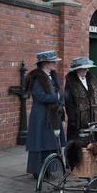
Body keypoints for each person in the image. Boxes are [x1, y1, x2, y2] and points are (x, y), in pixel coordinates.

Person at [25, 50, 66, 179]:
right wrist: (57, 97)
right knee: (39, 142)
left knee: (50, 142)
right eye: (52, 61)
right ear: (44, 63)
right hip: (41, 115)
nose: (55, 63)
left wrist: (59, 99)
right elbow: (39, 96)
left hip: (52, 115)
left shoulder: (52, 76)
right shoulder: (37, 78)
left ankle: (48, 168)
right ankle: (37, 171)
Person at [64, 57, 97, 143]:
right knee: (78, 147)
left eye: (87, 68)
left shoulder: (92, 79)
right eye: (84, 68)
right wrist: (72, 119)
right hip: (78, 120)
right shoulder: (70, 82)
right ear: (77, 69)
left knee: (93, 145)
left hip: (93, 118)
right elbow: (68, 102)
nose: (87, 70)